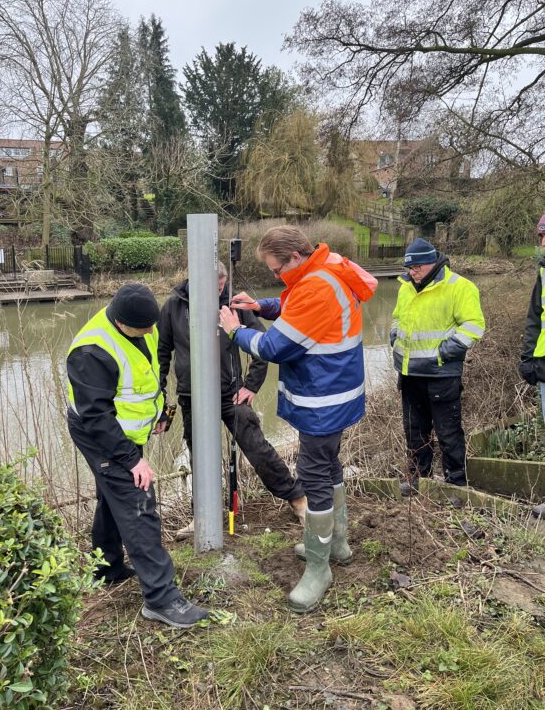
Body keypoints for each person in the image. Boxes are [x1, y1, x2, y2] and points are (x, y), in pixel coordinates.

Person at [219, 227, 377, 613]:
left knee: (313, 475)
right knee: (329, 464)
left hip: (323, 397)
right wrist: (262, 307)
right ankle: (336, 543)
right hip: (336, 391)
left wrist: (236, 330)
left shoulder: (316, 287)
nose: (276, 276)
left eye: (276, 269)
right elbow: (295, 309)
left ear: (293, 256)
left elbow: (274, 346)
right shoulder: (324, 268)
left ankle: (319, 568)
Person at [66, 283, 208, 628]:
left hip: (125, 431)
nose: (150, 332)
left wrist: (158, 412)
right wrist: (131, 460)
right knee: (139, 505)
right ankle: (161, 599)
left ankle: (107, 568)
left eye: (151, 326)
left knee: (113, 498)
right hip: (101, 435)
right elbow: (96, 416)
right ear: (121, 323)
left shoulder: (141, 323)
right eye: (144, 329)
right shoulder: (90, 352)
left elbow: (144, 377)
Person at [158, 261, 307, 540]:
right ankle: (201, 517)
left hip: (231, 393)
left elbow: (263, 343)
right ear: (197, 282)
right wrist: (163, 404)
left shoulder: (233, 304)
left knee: (258, 448)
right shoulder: (172, 307)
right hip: (192, 396)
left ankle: (298, 499)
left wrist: (251, 385)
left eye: (223, 287)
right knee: (200, 458)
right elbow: (161, 355)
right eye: (215, 288)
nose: (221, 293)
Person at [390, 238, 485, 494]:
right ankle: (419, 480)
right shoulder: (406, 286)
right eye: (409, 268)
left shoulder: (460, 287)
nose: (412, 272)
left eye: (417, 267)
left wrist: (444, 353)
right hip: (409, 373)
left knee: (448, 433)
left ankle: (456, 485)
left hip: (441, 374)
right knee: (414, 432)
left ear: (432, 262)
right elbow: (398, 317)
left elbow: (474, 326)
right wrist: (394, 335)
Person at [519, 214, 545, 519]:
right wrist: (527, 358)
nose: (541, 244)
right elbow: (534, 319)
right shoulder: (543, 274)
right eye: (539, 237)